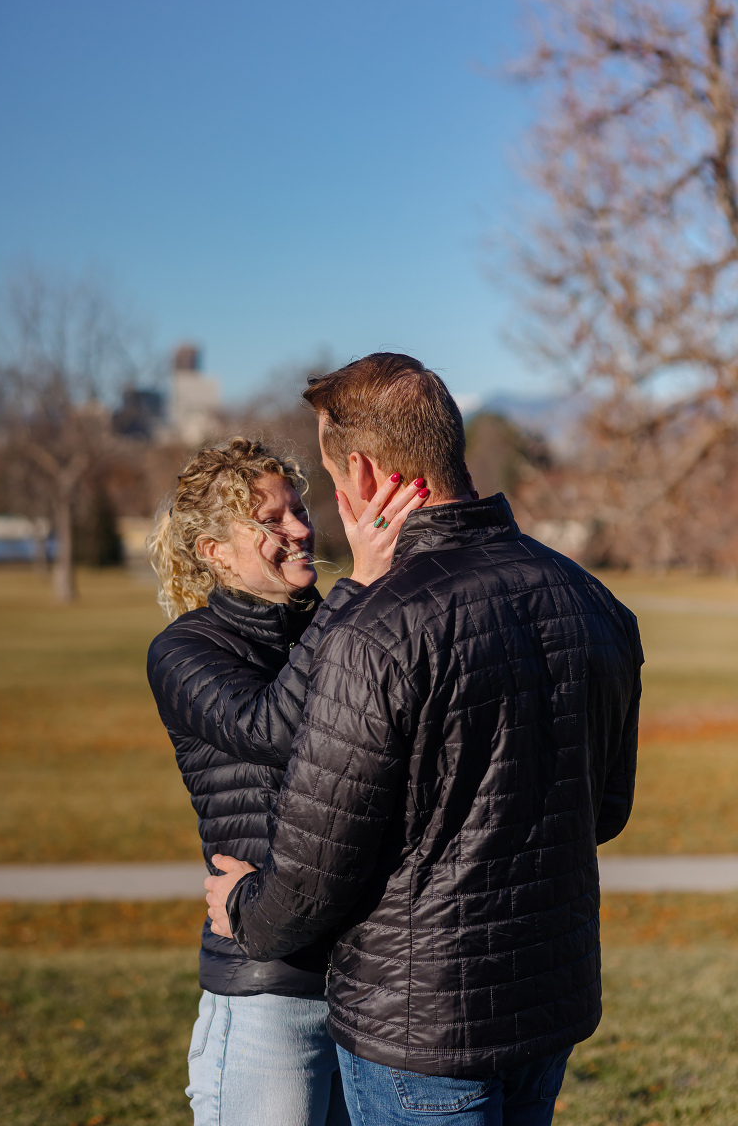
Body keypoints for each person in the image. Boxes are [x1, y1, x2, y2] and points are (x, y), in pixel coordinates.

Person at [204, 355, 643, 1126]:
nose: (332, 505)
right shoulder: (592, 599)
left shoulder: (376, 632)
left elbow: (312, 875)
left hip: (420, 1031)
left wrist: (242, 904)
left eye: (333, 481)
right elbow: (603, 811)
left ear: (366, 475)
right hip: (548, 999)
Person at [146, 436, 430, 1126]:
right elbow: (270, 729)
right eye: (270, 521)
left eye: (299, 510)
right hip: (267, 990)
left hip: (366, 985)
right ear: (213, 551)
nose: (301, 529)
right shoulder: (186, 649)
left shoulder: (331, 624)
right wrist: (356, 591)